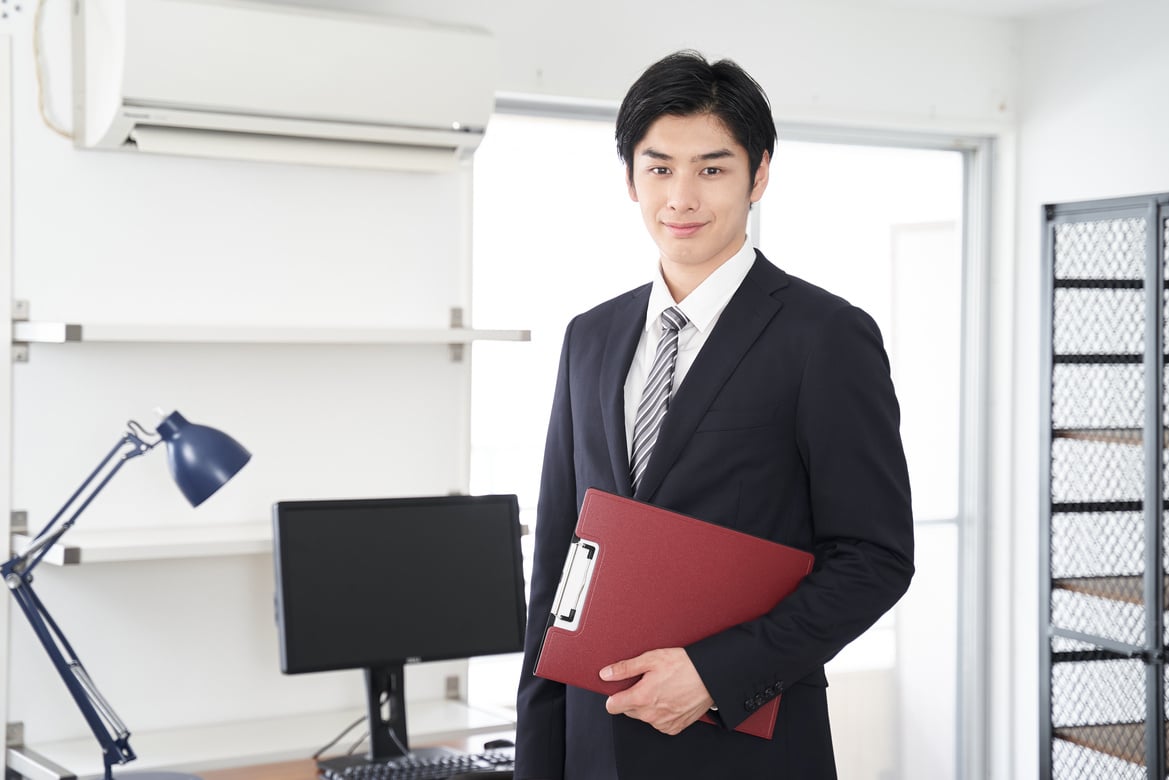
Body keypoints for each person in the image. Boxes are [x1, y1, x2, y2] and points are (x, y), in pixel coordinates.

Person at [514, 49, 915, 779]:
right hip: (590, 739)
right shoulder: (589, 337)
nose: (681, 197)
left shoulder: (823, 336)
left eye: (712, 168)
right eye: (659, 167)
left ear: (758, 174)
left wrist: (713, 674)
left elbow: (873, 559)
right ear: (629, 177)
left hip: (739, 741)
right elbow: (557, 568)